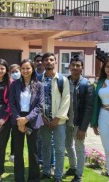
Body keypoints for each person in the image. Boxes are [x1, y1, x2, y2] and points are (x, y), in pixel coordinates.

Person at [9, 59, 44, 182]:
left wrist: (27, 119)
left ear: (32, 69)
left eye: (28, 68)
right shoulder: (14, 85)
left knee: (33, 151)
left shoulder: (39, 85)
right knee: (18, 152)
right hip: (17, 119)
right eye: (22, 68)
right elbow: (11, 103)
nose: (25, 71)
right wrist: (19, 120)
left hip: (33, 120)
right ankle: (19, 178)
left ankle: (34, 178)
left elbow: (40, 106)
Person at [40, 52, 70, 182]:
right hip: (44, 120)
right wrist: (42, 116)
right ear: (43, 63)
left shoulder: (62, 80)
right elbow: (37, 100)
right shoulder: (38, 79)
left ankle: (58, 175)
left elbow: (66, 100)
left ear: (55, 62)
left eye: (51, 60)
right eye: (46, 60)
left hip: (59, 121)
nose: (49, 62)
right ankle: (46, 171)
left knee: (59, 148)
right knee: (45, 147)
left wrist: (57, 118)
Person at [64, 55, 94, 182]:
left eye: (78, 65)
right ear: (69, 66)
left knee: (79, 147)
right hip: (65, 121)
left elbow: (89, 108)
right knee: (68, 145)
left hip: (78, 123)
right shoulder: (64, 81)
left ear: (82, 68)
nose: (75, 68)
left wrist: (83, 128)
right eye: (73, 65)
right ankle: (73, 167)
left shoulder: (87, 84)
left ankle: (79, 175)